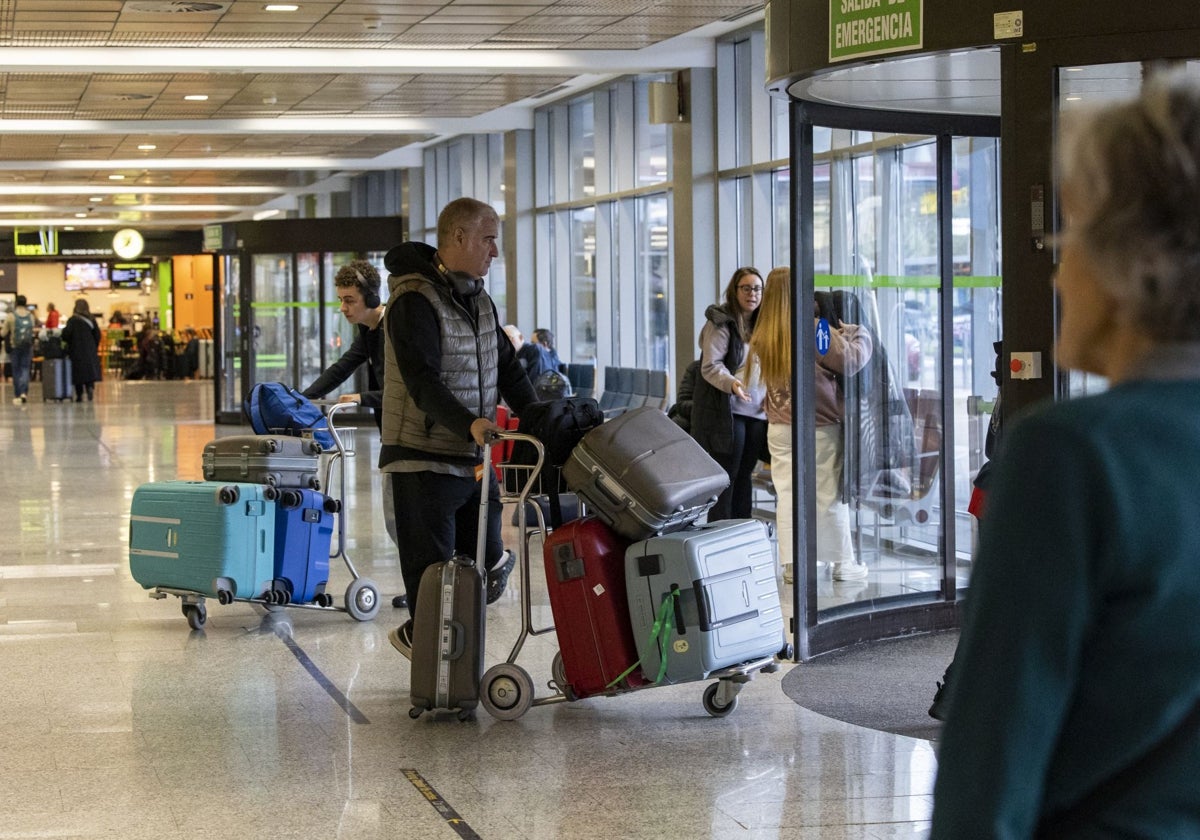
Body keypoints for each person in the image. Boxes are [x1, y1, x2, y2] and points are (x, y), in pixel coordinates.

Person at [931, 73, 1200, 838]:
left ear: (1131, 263)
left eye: (1071, 236)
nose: (1056, 269)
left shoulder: (1070, 456)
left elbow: (991, 763)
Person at [381, 197, 537, 659]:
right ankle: (433, 662)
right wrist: (469, 422)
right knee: (433, 579)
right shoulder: (413, 300)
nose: (494, 252)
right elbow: (421, 381)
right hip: (421, 459)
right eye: (489, 240)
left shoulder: (478, 298)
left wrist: (542, 418)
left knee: (486, 566)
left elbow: (508, 371)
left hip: (470, 460)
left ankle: (429, 640)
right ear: (459, 238)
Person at [299, 260, 408, 611]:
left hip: (409, 434)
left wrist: (363, 398)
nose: (343, 308)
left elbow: (406, 387)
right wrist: (303, 398)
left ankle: (430, 584)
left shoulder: (396, 327)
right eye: (341, 300)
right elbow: (343, 366)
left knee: (400, 516)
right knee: (399, 518)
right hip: (391, 431)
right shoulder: (369, 330)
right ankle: (423, 584)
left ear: (372, 297)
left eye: (349, 300)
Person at [690, 266, 768, 521]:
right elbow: (710, 365)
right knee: (728, 473)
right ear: (734, 291)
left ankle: (742, 527)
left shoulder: (764, 324)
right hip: (729, 410)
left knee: (745, 473)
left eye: (757, 288)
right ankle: (721, 528)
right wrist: (733, 384)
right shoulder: (721, 322)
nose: (752, 294)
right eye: (746, 288)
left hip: (757, 411)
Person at [813, 297, 873, 581]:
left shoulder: (773, 328)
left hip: (783, 421)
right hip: (821, 421)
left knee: (791, 495)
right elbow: (851, 361)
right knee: (830, 494)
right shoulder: (818, 328)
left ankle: (794, 564)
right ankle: (841, 562)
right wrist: (859, 332)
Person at [746, 268, 794, 582]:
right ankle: (820, 559)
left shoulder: (761, 338)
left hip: (776, 427)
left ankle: (790, 566)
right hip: (808, 426)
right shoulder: (803, 331)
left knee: (787, 494)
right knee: (820, 495)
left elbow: (751, 389)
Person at [61, 298, 102, 402]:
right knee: (89, 371)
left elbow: (66, 335)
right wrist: (94, 346)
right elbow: (98, 335)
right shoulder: (92, 319)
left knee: (78, 372)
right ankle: (90, 387)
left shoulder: (72, 320)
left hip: (76, 350)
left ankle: (79, 395)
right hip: (90, 349)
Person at [4, 294, 37, 404]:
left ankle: (18, 394)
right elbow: (33, 330)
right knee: (25, 369)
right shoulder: (31, 316)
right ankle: (24, 393)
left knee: (16, 370)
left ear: (16, 303)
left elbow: (3, 333)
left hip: (15, 347)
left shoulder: (11, 316)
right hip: (27, 346)